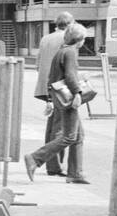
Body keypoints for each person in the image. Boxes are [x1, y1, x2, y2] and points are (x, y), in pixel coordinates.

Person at [23, 22, 88, 184]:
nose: (84, 41)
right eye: (84, 38)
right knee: (69, 137)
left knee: (79, 136)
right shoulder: (71, 52)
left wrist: (51, 100)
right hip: (68, 99)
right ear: (79, 39)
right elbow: (71, 75)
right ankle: (35, 158)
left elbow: (52, 78)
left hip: (59, 98)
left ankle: (75, 173)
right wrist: (78, 93)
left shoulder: (61, 51)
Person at [33, 11, 74, 177]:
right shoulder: (67, 39)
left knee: (52, 125)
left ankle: (51, 163)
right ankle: (52, 165)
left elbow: (38, 63)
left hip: (45, 87)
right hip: (60, 87)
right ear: (70, 24)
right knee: (60, 128)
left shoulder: (45, 38)